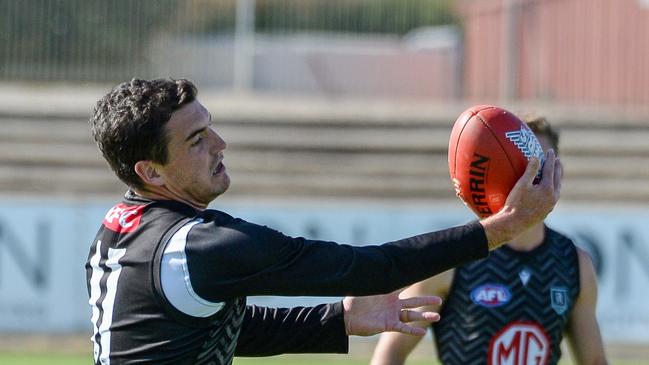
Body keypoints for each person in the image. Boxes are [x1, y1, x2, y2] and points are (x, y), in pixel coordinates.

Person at [85, 78, 560, 365]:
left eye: (210, 126)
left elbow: (219, 329)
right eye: (196, 140)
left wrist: (338, 320)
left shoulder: (119, 229)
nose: (220, 143)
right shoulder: (202, 247)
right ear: (150, 171)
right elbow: (367, 268)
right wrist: (503, 226)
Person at [370, 114, 608, 365]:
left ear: (556, 173)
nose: (530, 175)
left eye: (540, 163)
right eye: (522, 164)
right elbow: (390, 353)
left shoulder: (574, 263)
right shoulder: (455, 255)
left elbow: (594, 361)